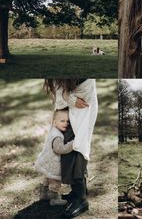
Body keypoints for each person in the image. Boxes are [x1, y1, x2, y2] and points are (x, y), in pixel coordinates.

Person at [43, 79, 98, 218]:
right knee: (70, 148)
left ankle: (81, 199)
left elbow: (82, 91)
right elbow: (62, 89)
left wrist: (70, 98)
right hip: (71, 106)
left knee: (77, 147)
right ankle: (79, 191)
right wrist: (69, 98)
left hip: (83, 105)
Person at [35, 109, 74, 206]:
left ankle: (44, 194)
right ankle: (54, 198)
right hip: (53, 164)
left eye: (67, 121)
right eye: (62, 121)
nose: (66, 123)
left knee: (47, 179)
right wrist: (72, 144)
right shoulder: (57, 136)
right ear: (55, 122)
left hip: (47, 161)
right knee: (55, 182)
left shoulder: (53, 131)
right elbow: (60, 149)